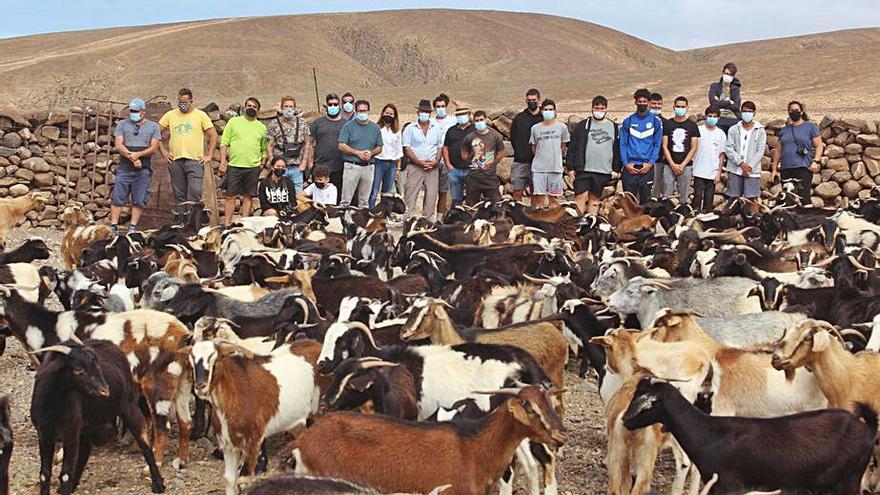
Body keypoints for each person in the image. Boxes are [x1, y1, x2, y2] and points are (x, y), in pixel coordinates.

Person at [158, 88, 218, 214]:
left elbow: (213, 135)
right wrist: (163, 151)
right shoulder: (170, 115)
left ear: (191, 101)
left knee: (195, 192)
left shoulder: (201, 115)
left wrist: (209, 155)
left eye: (184, 102)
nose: (182, 105)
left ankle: (194, 220)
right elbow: (156, 133)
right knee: (179, 194)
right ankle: (181, 220)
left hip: (195, 160)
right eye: (179, 101)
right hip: (176, 160)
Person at [110, 98, 161, 232]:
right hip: (125, 166)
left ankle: (133, 226)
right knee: (118, 196)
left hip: (143, 168)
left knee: (139, 198)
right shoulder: (122, 125)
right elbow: (119, 144)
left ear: (143, 112)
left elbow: (153, 147)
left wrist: (138, 155)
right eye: (131, 111)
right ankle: (114, 224)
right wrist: (132, 157)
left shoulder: (153, 127)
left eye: (136, 111)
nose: (133, 113)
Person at [565, 96, 621, 215]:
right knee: (580, 197)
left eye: (602, 108)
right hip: (584, 169)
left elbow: (617, 149)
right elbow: (573, 146)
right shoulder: (583, 125)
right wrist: (570, 167)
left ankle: (591, 223)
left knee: (595, 199)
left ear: (606, 109)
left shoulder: (614, 127)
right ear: (592, 108)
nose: (599, 111)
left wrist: (616, 169)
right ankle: (577, 224)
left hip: (603, 169)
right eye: (597, 108)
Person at [219, 97, 268, 224]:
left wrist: (262, 163)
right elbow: (224, 143)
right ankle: (227, 224)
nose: (251, 108)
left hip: (252, 167)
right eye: (249, 105)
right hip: (234, 165)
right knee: (230, 196)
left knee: (248, 197)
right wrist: (223, 162)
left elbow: (264, 148)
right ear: (244, 107)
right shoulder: (233, 122)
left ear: (258, 110)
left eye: (254, 107)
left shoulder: (261, 127)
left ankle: (244, 224)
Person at [770, 101, 824, 204]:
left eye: (797, 110)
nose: (794, 112)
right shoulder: (784, 130)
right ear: (788, 112)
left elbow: (819, 145)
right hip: (786, 169)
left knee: (803, 198)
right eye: (791, 110)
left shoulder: (810, 127)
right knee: (787, 198)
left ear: (802, 111)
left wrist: (816, 161)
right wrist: (774, 169)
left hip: (803, 168)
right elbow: (778, 150)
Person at [402, 99, 445, 220]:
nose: (424, 114)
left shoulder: (436, 128)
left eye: (427, 111)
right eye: (422, 111)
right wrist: (418, 162)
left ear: (430, 113)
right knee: (410, 195)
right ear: (418, 112)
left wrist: (436, 161)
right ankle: (407, 221)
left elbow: (439, 146)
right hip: (415, 166)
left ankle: (427, 223)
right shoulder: (410, 128)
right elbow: (407, 147)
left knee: (431, 197)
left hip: (432, 167)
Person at [620, 88, 662, 204]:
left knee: (646, 202)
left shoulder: (655, 122)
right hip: (630, 168)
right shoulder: (628, 121)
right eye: (640, 101)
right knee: (629, 202)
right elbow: (623, 144)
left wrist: (650, 163)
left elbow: (657, 144)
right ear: (635, 102)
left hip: (646, 168)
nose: (642, 104)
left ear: (649, 103)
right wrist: (626, 164)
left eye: (644, 102)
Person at [337, 99, 383, 208]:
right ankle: (344, 223)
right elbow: (341, 145)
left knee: (364, 201)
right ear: (356, 111)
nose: (362, 113)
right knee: (346, 200)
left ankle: (362, 223)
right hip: (352, 166)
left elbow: (379, 147)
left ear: (369, 110)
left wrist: (371, 153)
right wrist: (357, 153)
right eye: (360, 111)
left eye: (364, 111)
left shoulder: (375, 128)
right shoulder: (348, 126)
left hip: (369, 167)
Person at [529, 99, 570, 208]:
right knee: (539, 201)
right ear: (541, 111)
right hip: (539, 169)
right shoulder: (535, 128)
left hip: (555, 168)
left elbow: (563, 146)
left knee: (554, 201)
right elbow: (534, 147)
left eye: (551, 109)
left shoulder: (562, 127)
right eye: (546, 109)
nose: (548, 112)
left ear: (555, 111)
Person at [266, 96, 311, 193]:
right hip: (280, 168)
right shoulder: (274, 124)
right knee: (279, 193)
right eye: (286, 106)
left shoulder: (302, 123)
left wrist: (304, 163)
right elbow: (270, 145)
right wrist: (272, 163)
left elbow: (307, 144)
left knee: (298, 195)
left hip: (296, 167)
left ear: (295, 108)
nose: (288, 109)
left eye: (291, 106)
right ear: (281, 108)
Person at [661, 96, 701, 206]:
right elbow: (664, 146)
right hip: (669, 165)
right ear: (673, 107)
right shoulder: (667, 124)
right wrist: (672, 164)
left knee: (684, 196)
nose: (680, 108)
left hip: (686, 165)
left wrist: (683, 165)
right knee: (666, 195)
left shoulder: (692, 126)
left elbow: (694, 147)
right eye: (678, 106)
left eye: (682, 107)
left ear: (687, 108)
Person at [724, 101, 766, 201]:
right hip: (735, 169)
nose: (747, 114)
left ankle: (753, 216)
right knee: (733, 199)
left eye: (750, 111)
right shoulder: (733, 129)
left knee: (752, 199)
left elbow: (760, 150)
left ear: (754, 112)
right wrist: (741, 163)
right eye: (744, 111)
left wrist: (749, 167)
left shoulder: (760, 130)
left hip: (752, 170)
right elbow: (729, 148)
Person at [462, 110, 506, 205]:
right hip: (473, 178)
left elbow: (501, 151)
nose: (479, 122)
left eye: (481, 119)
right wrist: (472, 160)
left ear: (485, 120)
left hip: (490, 178)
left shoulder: (495, 136)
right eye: (477, 120)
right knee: (471, 206)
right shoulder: (469, 137)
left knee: (495, 206)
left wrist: (493, 162)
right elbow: (464, 154)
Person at [308, 93, 346, 202]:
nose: (333, 107)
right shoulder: (317, 123)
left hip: (339, 167)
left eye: (335, 104)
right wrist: (310, 162)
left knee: (336, 197)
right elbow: (310, 143)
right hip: (320, 166)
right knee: (318, 196)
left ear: (339, 106)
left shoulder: (346, 124)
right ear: (326, 106)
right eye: (330, 104)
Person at [509, 88, 544, 201]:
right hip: (521, 161)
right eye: (529, 100)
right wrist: (520, 151)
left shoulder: (544, 118)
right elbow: (513, 138)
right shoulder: (519, 118)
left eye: (534, 100)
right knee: (517, 192)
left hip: (539, 162)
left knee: (537, 193)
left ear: (539, 100)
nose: (531, 102)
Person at [692, 107, 727, 212]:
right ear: (706, 116)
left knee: (708, 199)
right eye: (710, 116)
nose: (712, 118)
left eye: (715, 116)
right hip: (698, 170)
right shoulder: (698, 130)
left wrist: (719, 172)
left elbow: (721, 155)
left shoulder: (720, 134)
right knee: (697, 197)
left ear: (718, 118)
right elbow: (693, 148)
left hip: (712, 172)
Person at [370, 104, 403, 208]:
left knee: (387, 193)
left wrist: (398, 168)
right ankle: (370, 212)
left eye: (391, 114)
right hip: (378, 162)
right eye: (387, 113)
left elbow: (398, 150)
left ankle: (383, 214)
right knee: (374, 192)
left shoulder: (396, 131)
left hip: (392, 164)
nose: (388, 115)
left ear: (394, 116)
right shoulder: (376, 128)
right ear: (382, 114)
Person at [431, 94, 458, 214]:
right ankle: (429, 216)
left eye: (443, 106)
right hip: (432, 161)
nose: (440, 108)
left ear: (446, 107)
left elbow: (470, 119)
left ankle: (440, 217)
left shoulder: (453, 120)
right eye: (438, 106)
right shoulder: (430, 121)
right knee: (431, 191)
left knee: (443, 191)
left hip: (447, 161)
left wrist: (459, 106)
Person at [442, 107, 474, 206]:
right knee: (456, 199)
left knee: (472, 198)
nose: (462, 117)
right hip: (454, 169)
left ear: (469, 115)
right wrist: (448, 164)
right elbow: (445, 148)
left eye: (464, 114)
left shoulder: (475, 130)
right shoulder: (451, 130)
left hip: (471, 170)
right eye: (459, 115)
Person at [708, 62, 742, 134]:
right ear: (722, 73)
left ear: (733, 76)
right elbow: (713, 103)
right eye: (726, 73)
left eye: (730, 75)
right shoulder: (714, 86)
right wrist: (729, 102)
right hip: (718, 117)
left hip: (733, 118)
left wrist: (719, 101)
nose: (727, 76)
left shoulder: (735, 89)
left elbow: (736, 106)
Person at [649, 92, 668, 197]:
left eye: (659, 104)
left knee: (656, 189)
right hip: (643, 160)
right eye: (654, 103)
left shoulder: (666, 123)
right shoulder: (642, 120)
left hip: (658, 161)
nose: (656, 106)